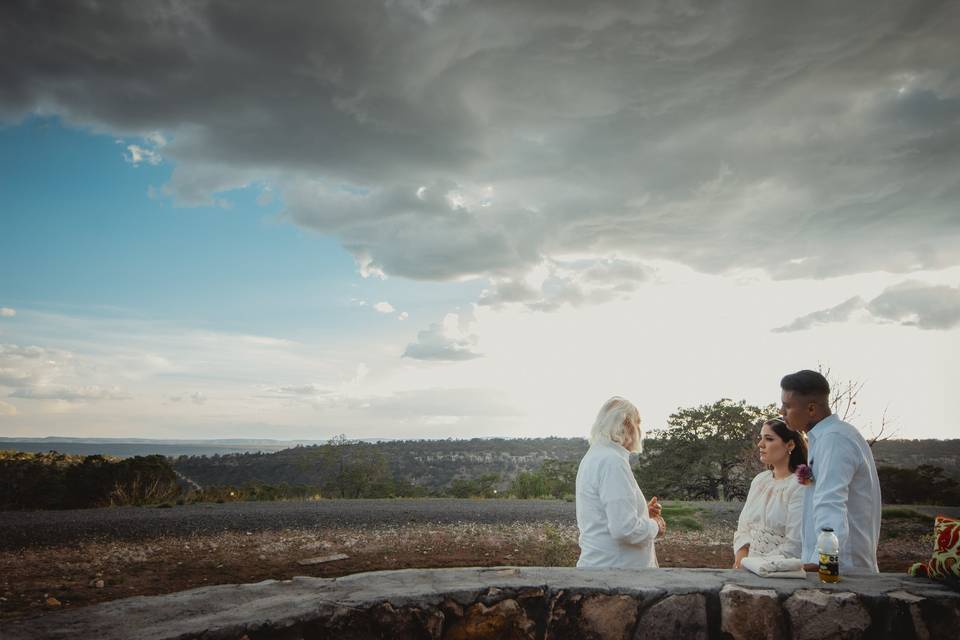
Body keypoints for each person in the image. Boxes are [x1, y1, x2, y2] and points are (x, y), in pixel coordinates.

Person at [780, 369, 881, 573]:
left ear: (811, 409)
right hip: (833, 566)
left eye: (787, 406)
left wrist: (823, 562)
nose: (781, 411)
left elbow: (830, 502)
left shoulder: (835, 439)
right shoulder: (825, 438)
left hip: (842, 570)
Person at [575, 396, 666, 568]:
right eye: (637, 423)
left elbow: (605, 517)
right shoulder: (613, 462)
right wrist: (656, 525)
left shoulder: (594, 456)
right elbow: (625, 530)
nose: (640, 430)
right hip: (618, 575)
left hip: (602, 568)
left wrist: (642, 513)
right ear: (626, 425)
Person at [732, 417, 808, 568]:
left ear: (790, 444)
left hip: (777, 571)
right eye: (761, 438)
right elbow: (743, 528)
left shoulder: (800, 485)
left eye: (769, 439)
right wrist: (740, 559)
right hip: (746, 566)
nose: (760, 444)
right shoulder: (760, 480)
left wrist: (756, 566)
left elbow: (795, 545)